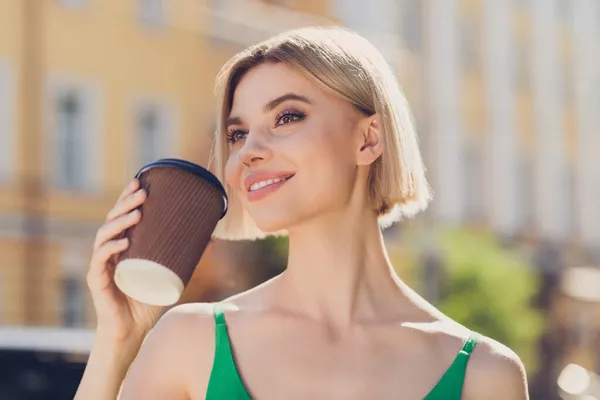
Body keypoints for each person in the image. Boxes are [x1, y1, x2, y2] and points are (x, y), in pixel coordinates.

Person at [75, 26, 529, 400]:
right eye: (237, 135)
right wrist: (116, 340)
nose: (249, 152)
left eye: (287, 117)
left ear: (368, 139)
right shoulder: (191, 342)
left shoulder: (484, 376)